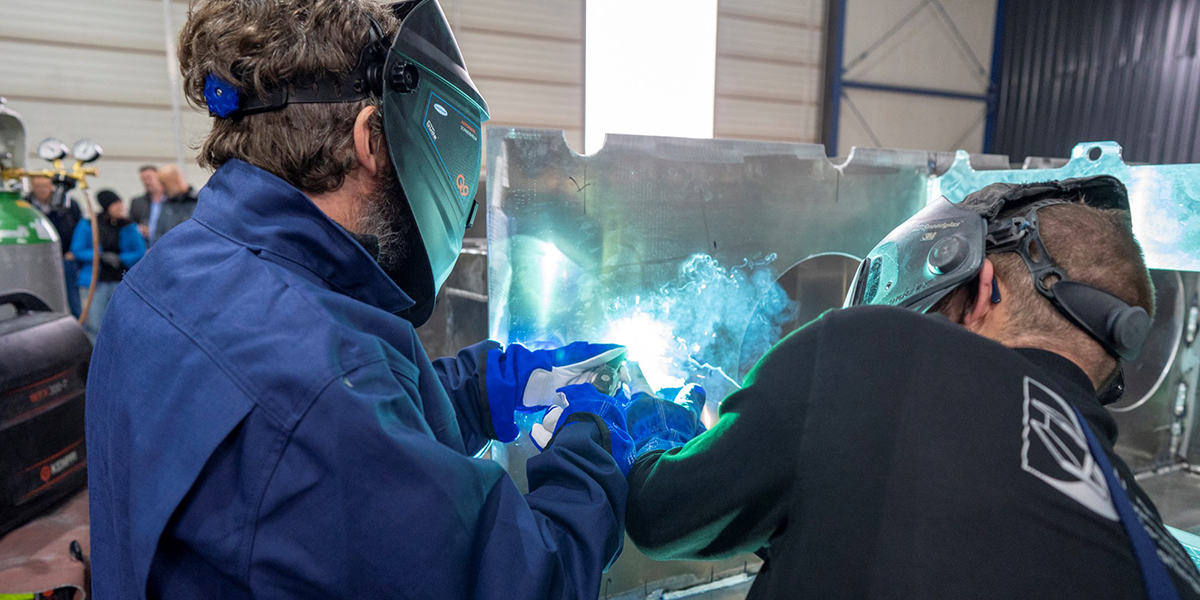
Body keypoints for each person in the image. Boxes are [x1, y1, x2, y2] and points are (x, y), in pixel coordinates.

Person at [85, 1, 633, 598]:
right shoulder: (316, 384)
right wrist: (589, 445)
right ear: (372, 138)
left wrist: (482, 390)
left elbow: (350, 447)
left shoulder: (175, 269)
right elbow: (525, 581)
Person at [623, 177, 1200, 599]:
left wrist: (651, 438)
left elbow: (661, 515)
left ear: (984, 290)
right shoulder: (1160, 552)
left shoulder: (873, 350)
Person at [70, 190, 146, 341]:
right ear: (106, 206)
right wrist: (100, 256)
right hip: (96, 282)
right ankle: (93, 356)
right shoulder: (89, 224)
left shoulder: (128, 226)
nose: (120, 207)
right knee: (95, 324)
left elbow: (139, 251)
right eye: (115, 204)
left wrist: (120, 258)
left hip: (120, 280)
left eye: (120, 203)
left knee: (122, 323)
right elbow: (77, 249)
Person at [25, 174, 83, 316]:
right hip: (35, 259)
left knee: (71, 296)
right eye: (38, 186)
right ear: (32, 187)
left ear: (52, 186)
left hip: (64, 257)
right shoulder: (25, 205)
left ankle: (78, 326)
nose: (42, 190)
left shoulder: (68, 204)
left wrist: (73, 251)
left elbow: (80, 230)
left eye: (45, 186)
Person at [150, 163, 197, 242]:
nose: (162, 189)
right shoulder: (166, 205)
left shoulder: (197, 201)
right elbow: (159, 234)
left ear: (175, 181)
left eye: (164, 184)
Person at [128, 164, 166, 244]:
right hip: (145, 246)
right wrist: (140, 229)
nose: (147, 182)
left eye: (149, 178)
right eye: (143, 179)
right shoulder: (137, 203)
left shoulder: (171, 201)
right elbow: (131, 226)